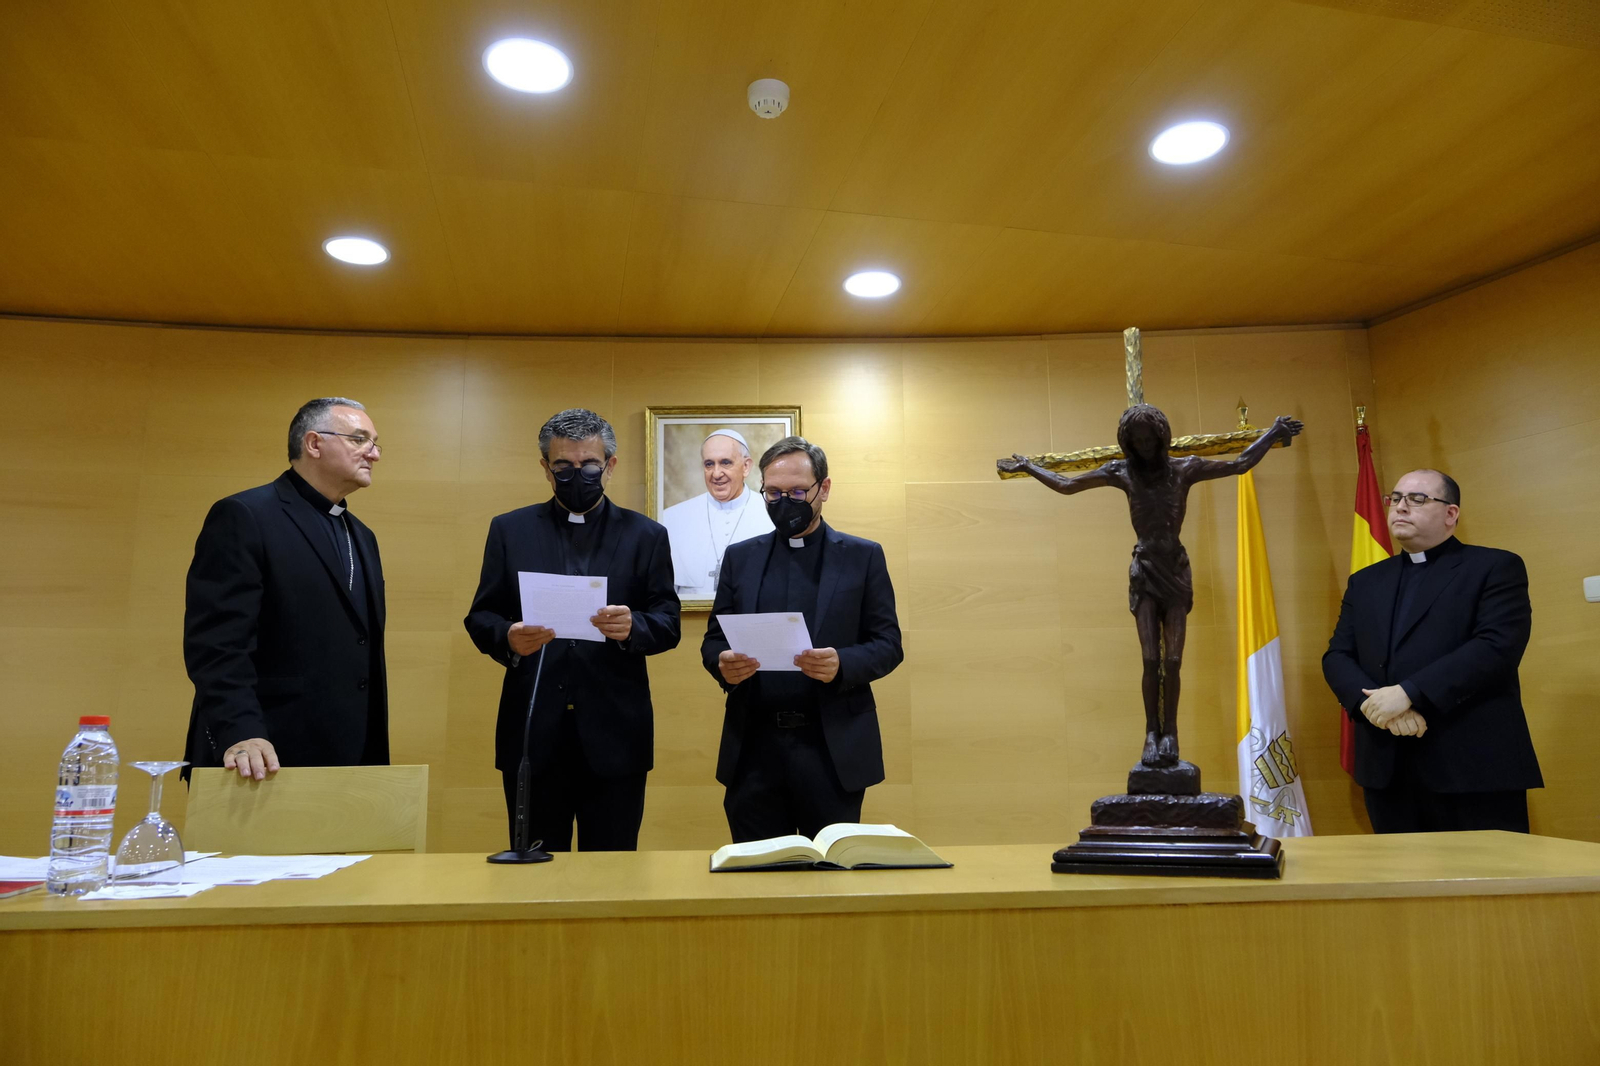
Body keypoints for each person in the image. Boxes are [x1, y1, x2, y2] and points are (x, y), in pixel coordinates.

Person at [999, 405, 1303, 768]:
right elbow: (1068, 485)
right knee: (1149, 659)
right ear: (1127, 442)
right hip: (1144, 571)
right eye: (1136, 440)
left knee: (1172, 661)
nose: (1143, 446)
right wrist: (1029, 466)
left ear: (1161, 437)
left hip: (1174, 570)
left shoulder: (1184, 468)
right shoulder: (1122, 472)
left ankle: (1170, 732)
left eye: (1149, 438)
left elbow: (1238, 464)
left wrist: (1271, 433)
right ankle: (1151, 734)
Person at [464, 408, 680, 851]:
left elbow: (668, 622)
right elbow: (481, 615)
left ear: (611, 465)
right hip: (533, 734)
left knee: (615, 870)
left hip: (616, 734)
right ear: (545, 468)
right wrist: (507, 636)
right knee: (535, 874)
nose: (576, 475)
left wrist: (631, 626)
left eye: (589, 465)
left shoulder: (647, 535)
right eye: (563, 466)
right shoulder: (510, 529)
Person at [702, 436, 903, 842]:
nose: (784, 502)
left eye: (797, 492)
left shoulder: (862, 556)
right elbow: (712, 640)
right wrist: (723, 663)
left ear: (823, 489)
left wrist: (842, 663)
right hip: (754, 749)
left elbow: (888, 643)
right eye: (773, 493)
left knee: (830, 883)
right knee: (756, 876)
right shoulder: (741, 558)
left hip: (831, 750)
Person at [1323, 469, 1542, 833]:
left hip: (1473, 768)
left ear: (1450, 514)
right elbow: (1337, 656)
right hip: (1387, 768)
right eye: (1395, 498)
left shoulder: (1494, 567)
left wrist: (1410, 694)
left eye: (1418, 499)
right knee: (1402, 886)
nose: (1400, 507)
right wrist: (1374, 707)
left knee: (1488, 886)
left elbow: (1496, 648)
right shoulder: (1365, 582)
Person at [182, 397, 388, 781]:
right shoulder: (245, 515)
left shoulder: (362, 536)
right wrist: (241, 731)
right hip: (259, 752)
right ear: (314, 444)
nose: (373, 454)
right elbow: (217, 643)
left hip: (350, 758)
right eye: (360, 440)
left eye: (375, 443)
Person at [661, 429, 774, 600]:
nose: (716, 473)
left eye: (725, 462)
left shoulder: (770, 513)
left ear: (746, 466)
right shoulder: (672, 518)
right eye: (709, 464)